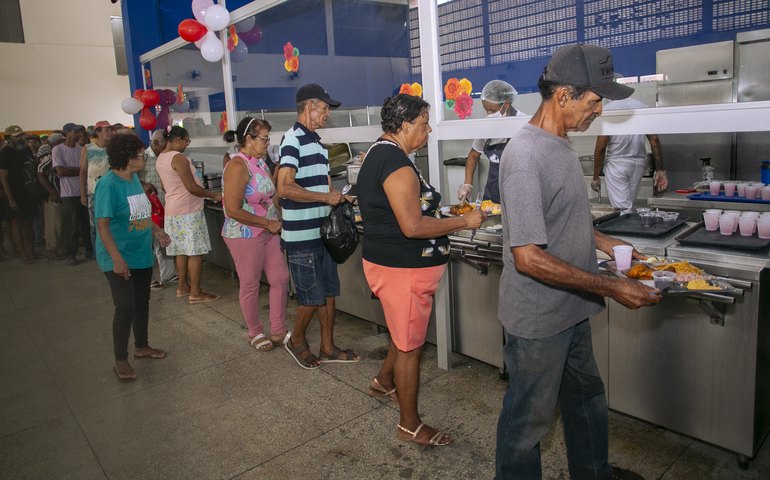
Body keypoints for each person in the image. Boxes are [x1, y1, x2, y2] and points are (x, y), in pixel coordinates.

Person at [495, 44, 661, 480]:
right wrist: (612, 286)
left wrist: (605, 242)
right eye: (594, 100)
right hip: (537, 321)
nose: (599, 110)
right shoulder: (525, 157)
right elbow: (529, 257)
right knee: (528, 422)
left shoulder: (562, 145)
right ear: (564, 95)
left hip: (572, 309)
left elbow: (563, 218)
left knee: (586, 399)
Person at [358, 94, 485, 447]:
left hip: (394, 265)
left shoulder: (380, 154)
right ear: (403, 125)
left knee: (403, 334)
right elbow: (412, 226)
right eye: (424, 123)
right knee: (411, 346)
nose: (428, 130)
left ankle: (384, 381)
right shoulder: (395, 163)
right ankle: (409, 424)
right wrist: (463, 221)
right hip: (403, 270)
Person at [276, 83, 359, 369]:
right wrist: (325, 196)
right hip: (301, 237)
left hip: (321, 232)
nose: (326, 114)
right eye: (323, 108)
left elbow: (319, 184)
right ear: (309, 106)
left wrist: (340, 198)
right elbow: (285, 187)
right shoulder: (292, 140)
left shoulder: (316, 142)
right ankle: (296, 340)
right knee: (311, 298)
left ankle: (327, 347)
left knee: (328, 294)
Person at [95, 133, 171, 381]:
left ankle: (141, 346)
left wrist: (157, 231)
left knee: (141, 302)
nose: (143, 158)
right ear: (128, 158)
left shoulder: (133, 180)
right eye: (139, 154)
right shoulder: (108, 184)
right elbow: (103, 226)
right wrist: (116, 258)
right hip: (117, 256)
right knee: (125, 305)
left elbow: (141, 213)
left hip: (140, 254)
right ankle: (120, 360)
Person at [222, 117, 290, 351]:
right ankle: (255, 331)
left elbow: (270, 194)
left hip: (269, 229)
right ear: (248, 139)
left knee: (280, 278)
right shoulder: (237, 165)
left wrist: (280, 215)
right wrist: (266, 222)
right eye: (263, 139)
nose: (266, 143)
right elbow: (232, 209)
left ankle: (278, 329)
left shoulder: (259, 162)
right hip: (244, 232)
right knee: (250, 283)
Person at [156, 126, 222, 304]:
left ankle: (182, 287)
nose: (187, 144)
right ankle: (195, 292)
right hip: (188, 211)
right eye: (187, 141)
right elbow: (192, 187)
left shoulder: (161, 157)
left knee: (181, 251)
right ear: (178, 140)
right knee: (195, 252)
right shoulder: (178, 158)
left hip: (173, 210)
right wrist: (213, 195)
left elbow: (163, 187)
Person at [591, 98, 667, 212]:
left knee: (622, 209)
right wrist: (660, 169)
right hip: (638, 164)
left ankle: (624, 228)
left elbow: (601, 148)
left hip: (617, 164)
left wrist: (595, 177)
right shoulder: (642, 106)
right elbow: (654, 140)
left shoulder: (607, 110)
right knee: (627, 204)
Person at [457, 80, 518, 204]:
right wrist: (467, 184)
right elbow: (473, 156)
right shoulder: (487, 126)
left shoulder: (521, 124)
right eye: (486, 110)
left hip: (516, 198)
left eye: (492, 110)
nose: (488, 114)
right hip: (492, 198)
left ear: (506, 104)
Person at [53, 122, 91, 266]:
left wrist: (78, 170)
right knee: (72, 226)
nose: (78, 134)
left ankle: (89, 249)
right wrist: (80, 170)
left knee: (87, 224)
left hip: (83, 191)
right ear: (67, 132)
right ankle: (71, 253)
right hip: (68, 194)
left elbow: (85, 170)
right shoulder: (58, 150)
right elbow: (60, 171)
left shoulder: (82, 149)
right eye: (75, 132)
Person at [0, 125, 37, 263]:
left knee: (28, 222)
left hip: (28, 193)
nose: (20, 138)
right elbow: (3, 178)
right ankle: (23, 254)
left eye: (21, 135)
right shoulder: (4, 153)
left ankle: (30, 251)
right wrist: (10, 199)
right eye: (16, 136)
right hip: (14, 193)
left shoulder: (26, 149)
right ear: (9, 138)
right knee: (17, 223)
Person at [80, 120, 114, 254]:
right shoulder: (88, 149)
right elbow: (83, 171)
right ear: (98, 132)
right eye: (106, 130)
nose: (110, 132)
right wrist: (83, 194)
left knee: (111, 223)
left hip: (111, 192)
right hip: (93, 192)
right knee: (95, 224)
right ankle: (98, 252)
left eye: (111, 129)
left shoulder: (113, 149)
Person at [37, 132, 67, 260]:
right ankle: (52, 250)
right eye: (61, 141)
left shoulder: (58, 154)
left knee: (59, 222)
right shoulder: (49, 157)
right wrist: (52, 191)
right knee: (54, 223)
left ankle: (59, 248)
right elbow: (40, 173)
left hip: (60, 193)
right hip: (53, 195)